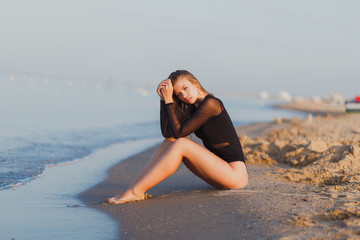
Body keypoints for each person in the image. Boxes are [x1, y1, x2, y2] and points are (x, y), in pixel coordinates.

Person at [106, 70, 248, 204]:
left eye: (185, 88)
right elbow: (169, 133)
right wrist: (163, 100)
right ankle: (135, 188)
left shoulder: (211, 103)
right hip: (220, 174)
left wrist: (169, 101)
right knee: (171, 141)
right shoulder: (194, 108)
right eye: (178, 94)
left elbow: (179, 134)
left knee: (181, 144)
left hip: (235, 175)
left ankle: (136, 191)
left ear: (195, 83)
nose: (183, 96)